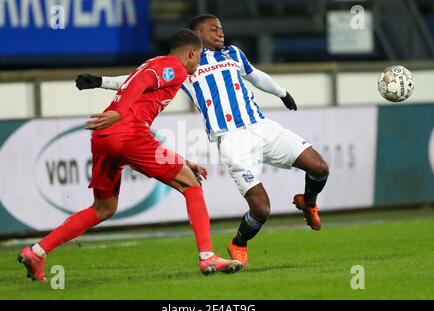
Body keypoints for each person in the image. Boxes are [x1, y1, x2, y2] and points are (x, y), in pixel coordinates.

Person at [76, 14, 330, 267]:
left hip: (262, 126)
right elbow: (134, 80)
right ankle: (239, 243)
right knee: (261, 209)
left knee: (319, 167)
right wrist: (100, 82)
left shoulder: (233, 54)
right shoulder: (187, 65)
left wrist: (282, 93)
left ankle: (308, 203)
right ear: (197, 36)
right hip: (231, 138)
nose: (221, 33)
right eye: (214, 29)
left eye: (221, 28)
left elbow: (256, 75)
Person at [17, 29, 244, 282]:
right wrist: (120, 112)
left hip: (104, 136)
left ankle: (37, 251)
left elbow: (136, 81)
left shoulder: (155, 63)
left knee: (103, 208)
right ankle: (207, 256)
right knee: (191, 183)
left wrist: (183, 161)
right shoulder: (174, 67)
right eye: (199, 56)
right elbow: (141, 81)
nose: (198, 62)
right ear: (191, 52)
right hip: (126, 132)